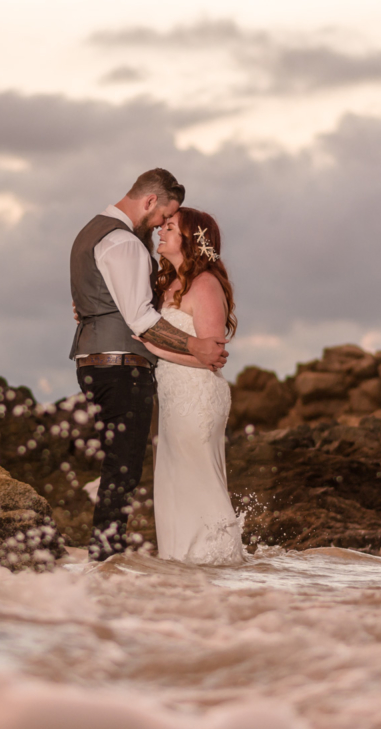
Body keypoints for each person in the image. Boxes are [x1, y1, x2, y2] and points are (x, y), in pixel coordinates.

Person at [69, 169, 228, 562]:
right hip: (121, 366)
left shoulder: (92, 232)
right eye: (163, 217)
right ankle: (105, 558)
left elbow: (112, 302)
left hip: (106, 363)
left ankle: (111, 559)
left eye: (170, 226)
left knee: (123, 466)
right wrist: (194, 345)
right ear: (151, 202)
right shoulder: (123, 243)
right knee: (123, 467)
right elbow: (140, 320)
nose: (159, 226)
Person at [140, 207, 245, 565]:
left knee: (196, 480)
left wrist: (152, 347)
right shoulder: (165, 284)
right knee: (173, 482)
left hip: (197, 397)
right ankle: (183, 567)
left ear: (192, 239)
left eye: (169, 227)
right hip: (172, 398)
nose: (161, 231)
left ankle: (217, 564)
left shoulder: (205, 284)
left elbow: (212, 354)